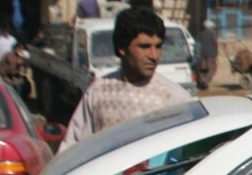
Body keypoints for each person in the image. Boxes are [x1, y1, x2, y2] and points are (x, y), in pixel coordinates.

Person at [60, 8, 192, 151]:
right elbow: (73, 148)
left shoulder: (173, 97)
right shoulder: (98, 91)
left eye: (158, 46)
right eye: (144, 46)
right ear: (122, 48)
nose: (154, 55)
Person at [196, 20, 219, 90]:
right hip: (211, 55)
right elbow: (216, 43)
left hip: (202, 55)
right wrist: (217, 52)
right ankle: (205, 80)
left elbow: (197, 44)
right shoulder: (213, 34)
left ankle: (202, 81)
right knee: (212, 69)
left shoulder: (200, 34)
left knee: (203, 69)